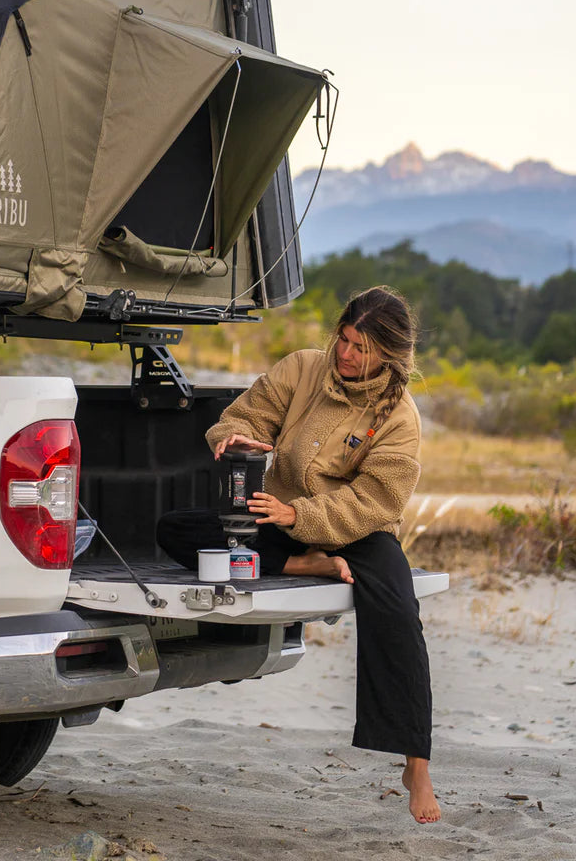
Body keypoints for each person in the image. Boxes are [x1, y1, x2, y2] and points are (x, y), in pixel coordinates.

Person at [156, 285, 441, 824]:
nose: (345, 353)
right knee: (176, 529)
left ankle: (417, 765)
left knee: (399, 612)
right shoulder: (302, 369)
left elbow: (376, 500)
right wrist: (237, 438)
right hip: (278, 514)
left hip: (357, 529)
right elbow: (248, 414)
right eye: (344, 339)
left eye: (360, 347)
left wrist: (302, 519)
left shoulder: (400, 418)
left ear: (388, 353)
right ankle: (300, 564)